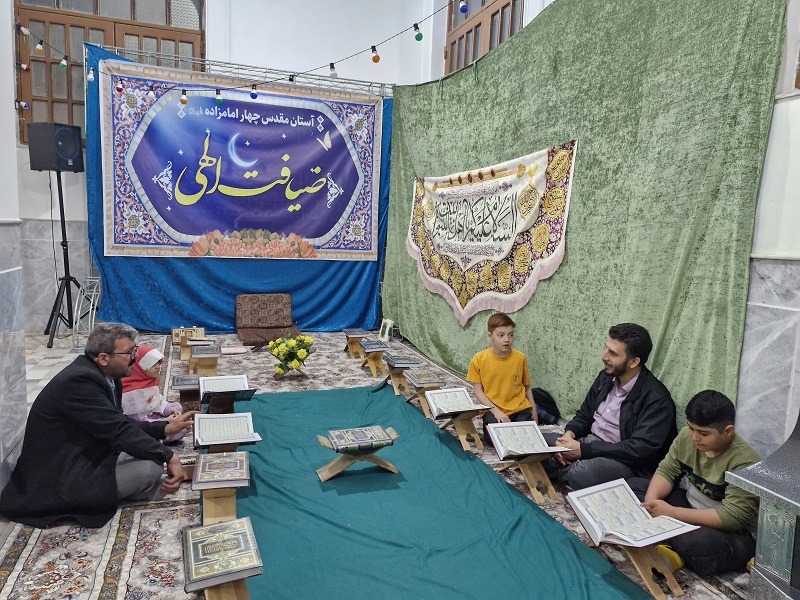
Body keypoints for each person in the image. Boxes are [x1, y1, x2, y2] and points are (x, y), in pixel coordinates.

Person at [0, 323, 196, 528]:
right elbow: (118, 431)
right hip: (61, 477)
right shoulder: (79, 382)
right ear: (103, 358)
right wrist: (169, 456)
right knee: (150, 468)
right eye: (129, 352)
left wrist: (164, 428)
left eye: (135, 350)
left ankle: (131, 489)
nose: (135, 357)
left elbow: (118, 421)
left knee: (148, 450)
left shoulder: (107, 375)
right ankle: (115, 494)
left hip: (86, 454)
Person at [628, 390, 760, 576]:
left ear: (728, 431)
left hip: (732, 532)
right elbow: (667, 470)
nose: (695, 437)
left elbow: (732, 518)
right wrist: (651, 503)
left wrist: (671, 513)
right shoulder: (687, 437)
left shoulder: (745, 461)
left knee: (700, 545)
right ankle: (674, 545)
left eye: (703, 433)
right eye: (691, 428)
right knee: (633, 488)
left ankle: (671, 545)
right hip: (691, 507)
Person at [546, 323, 677, 490]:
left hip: (625, 461)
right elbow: (584, 415)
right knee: (538, 442)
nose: (604, 357)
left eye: (613, 353)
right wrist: (568, 436)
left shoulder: (657, 400)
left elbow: (638, 450)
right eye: (606, 348)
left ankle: (555, 465)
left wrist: (583, 450)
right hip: (589, 442)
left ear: (634, 362)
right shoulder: (606, 377)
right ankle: (556, 462)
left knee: (581, 473)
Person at [466, 312, 537, 447]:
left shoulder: (520, 358)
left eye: (511, 335)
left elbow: (527, 387)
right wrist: (496, 411)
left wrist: (534, 412)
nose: (507, 340)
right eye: (501, 335)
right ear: (490, 336)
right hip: (493, 409)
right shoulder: (479, 359)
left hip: (519, 409)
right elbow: (478, 391)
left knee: (528, 437)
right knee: (495, 440)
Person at [121, 345, 186, 443]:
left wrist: (171, 410)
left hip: (150, 416)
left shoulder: (147, 381)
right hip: (143, 426)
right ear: (139, 366)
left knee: (177, 407)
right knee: (180, 430)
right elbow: (140, 422)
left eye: (159, 362)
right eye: (152, 364)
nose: (158, 367)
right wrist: (166, 422)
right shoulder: (131, 393)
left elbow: (157, 401)